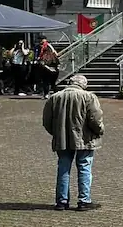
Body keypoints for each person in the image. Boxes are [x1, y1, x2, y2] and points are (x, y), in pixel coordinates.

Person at [42, 75, 105, 211]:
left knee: (63, 168)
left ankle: (62, 201)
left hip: (63, 138)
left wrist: (56, 132)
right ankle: (84, 200)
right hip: (85, 138)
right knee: (84, 167)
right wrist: (99, 130)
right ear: (84, 84)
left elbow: (47, 120)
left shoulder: (55, 97)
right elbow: (95, 118)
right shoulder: (88, 97)